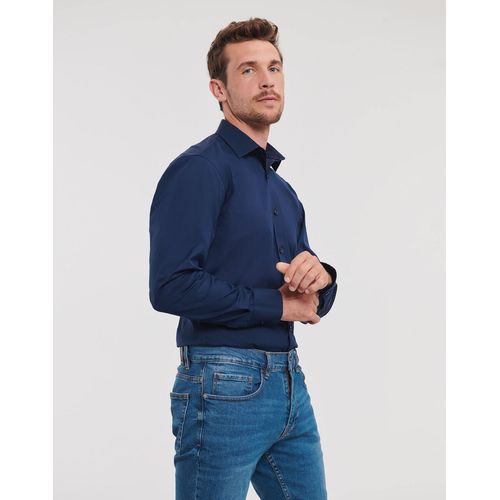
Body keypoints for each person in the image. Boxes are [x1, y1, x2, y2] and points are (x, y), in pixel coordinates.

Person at [149, 17, 338, 500]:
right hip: (222, 383)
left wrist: (323, 277)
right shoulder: (199, 170)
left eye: (274, 67)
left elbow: (308, 292)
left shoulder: (283, 190)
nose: (267, 80)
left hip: (289, 382)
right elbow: (170, 285)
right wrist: (278, 306)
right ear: (219, 89)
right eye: (248, 70)